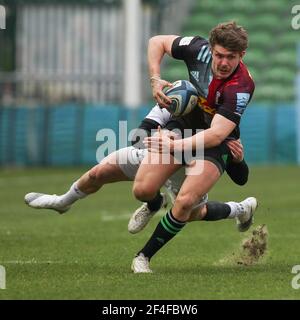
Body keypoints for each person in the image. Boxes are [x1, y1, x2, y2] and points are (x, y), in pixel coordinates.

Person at [131, 21, 257, 273]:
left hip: (216, 142)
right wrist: (155, 79)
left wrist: (174, 143)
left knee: (185, 202)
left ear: (241, 55)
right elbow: (157, 41)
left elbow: (215, 134)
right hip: (184, 127)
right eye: (219, 55)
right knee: (143, 189)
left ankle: (143, 257)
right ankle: (238, 209)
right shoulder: (197, 48)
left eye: (230, 57)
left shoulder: (241, 86)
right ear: (210, 49)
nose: (223, 63)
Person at [24, 104, 249, 224]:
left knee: (191, 214)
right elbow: (138, 137)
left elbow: (241, 178)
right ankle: (63, 201)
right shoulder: (169, 102)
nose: (171, 104)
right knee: (99, 172)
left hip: (188, 171)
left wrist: (238, 160)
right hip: (156, 157)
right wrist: (160, 139)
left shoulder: (221, 118)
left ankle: (240, 208)